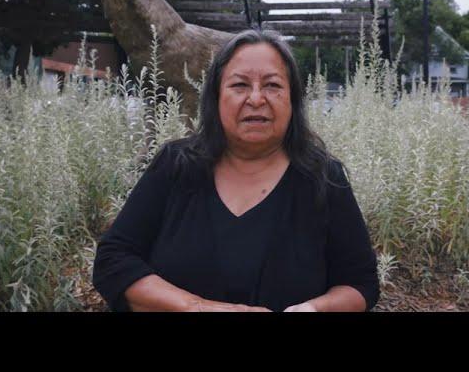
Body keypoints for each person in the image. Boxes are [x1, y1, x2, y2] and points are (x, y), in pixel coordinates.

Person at [92, 29, 379, 312]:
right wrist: (197, 308)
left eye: (272, 85)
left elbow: (360, 284)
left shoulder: (324, 179)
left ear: (293, 99)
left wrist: (311, 310)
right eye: (240, 85)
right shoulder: (175, 165)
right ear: (216, 97)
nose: (256, 99)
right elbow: (113, 260)